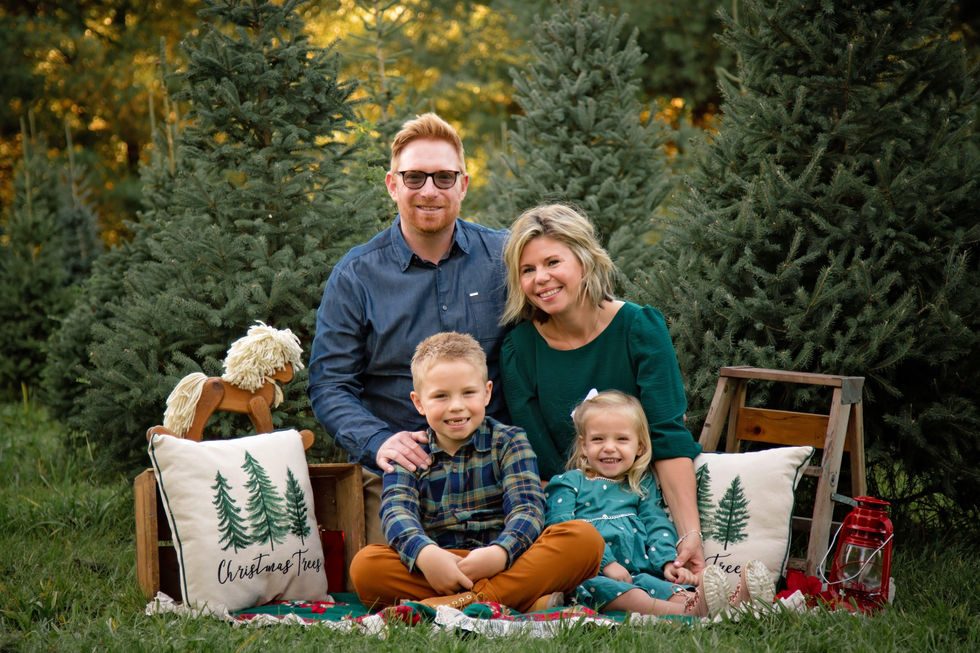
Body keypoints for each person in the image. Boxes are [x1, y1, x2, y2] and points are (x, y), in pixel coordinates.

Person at [307, 113, 509, 544]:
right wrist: (379, 441)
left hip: (496, 470)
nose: (430, 191)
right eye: (414, 177)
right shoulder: (356, 277)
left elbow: (565, 310)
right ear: (392, 185)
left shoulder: (504, 260)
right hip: (401, 474)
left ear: (464, 185)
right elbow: (330, 384)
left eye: (444, 177)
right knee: (392, 575)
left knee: (537, 559)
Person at [500, 203, 707, 576]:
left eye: (552, 262)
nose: (540, 278)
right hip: (567, 520)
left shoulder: (639, 329)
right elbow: (540, 462)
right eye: (527, 270)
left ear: (585, 260)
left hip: (640, 509)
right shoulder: (519, 351)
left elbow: (667, 435)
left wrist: (689, 532)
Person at [349, 332, 604, 612]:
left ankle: (454, 605)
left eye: (468, 393)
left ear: (487, 392)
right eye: (440, 396)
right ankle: (520, 599)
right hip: (441, 568)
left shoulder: (509, 442)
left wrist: (500, 552)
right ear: (419, 402)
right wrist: (426, 554)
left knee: (584, 540)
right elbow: (396, 512)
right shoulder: (410, 452)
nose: (456, 406)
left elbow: (528, 509)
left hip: (507, 559)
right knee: (366, 567)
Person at [545, 390, 773, 616]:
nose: (609, 447)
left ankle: (733, 607)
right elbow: (563, 531)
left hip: (641, 573)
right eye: (598, 439)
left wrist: (667, 564)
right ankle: (694, 613)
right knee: (633, 596)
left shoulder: (639, 484)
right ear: (584, 446)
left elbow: (656, 524)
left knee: (673, 590)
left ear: (640, 447)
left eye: (622, 439)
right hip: (591, 575)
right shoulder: (569, 484)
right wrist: (605, 563)